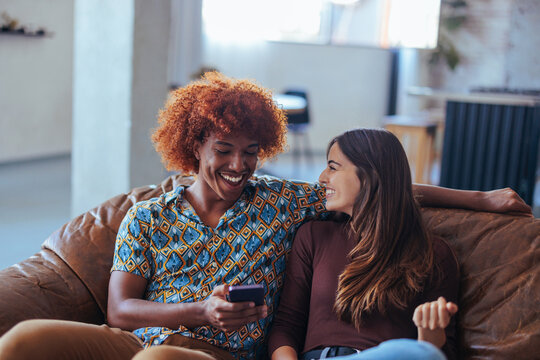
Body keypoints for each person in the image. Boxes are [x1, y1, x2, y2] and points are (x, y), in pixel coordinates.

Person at [0, 73, 531, 360]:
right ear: (193, 145)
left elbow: (379, 184)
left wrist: (482, 200)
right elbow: (119, 310)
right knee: (23, 341)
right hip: (137, 341)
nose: (238, 166)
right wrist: (196, 310)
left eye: (251, 151)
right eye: (224, 149)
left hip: (216, 357)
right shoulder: (147, 217)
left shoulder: (281, 202)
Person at [268, 128, 461, 360]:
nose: (321, 177)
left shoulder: (433, 254)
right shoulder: (313, 237)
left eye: (332, 167)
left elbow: (443, 354)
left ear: (370, 175)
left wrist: (430, 339)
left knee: (418, 354)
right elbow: (286, 327)